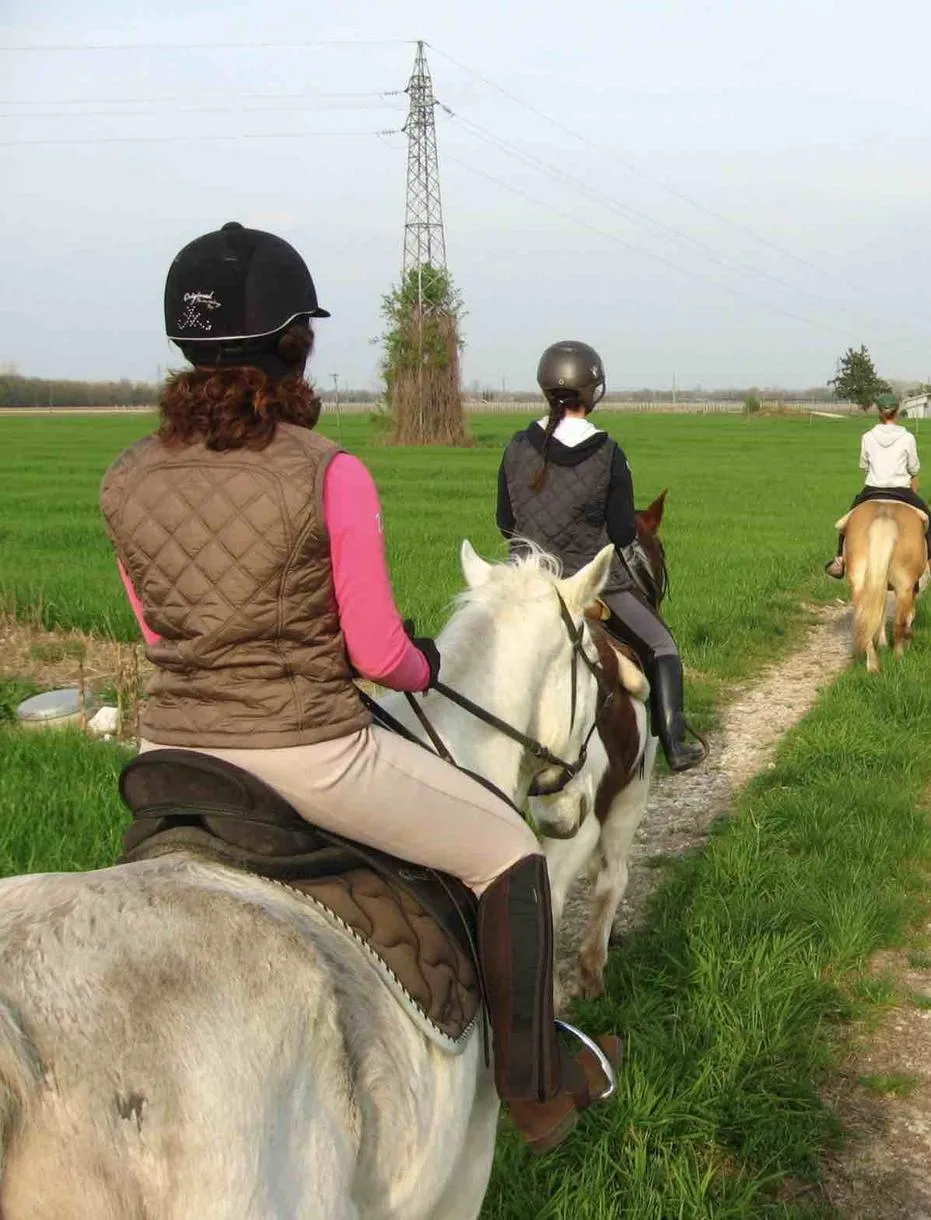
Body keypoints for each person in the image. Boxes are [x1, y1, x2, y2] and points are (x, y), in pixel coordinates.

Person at [98, 222, 615, 1154]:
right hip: (310, 754)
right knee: (509, 852)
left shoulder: (125, 476)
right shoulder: (327, 471)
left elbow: (156, 630)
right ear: (296, 343)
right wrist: (422, 661)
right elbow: (377, 655)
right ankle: (536, 1088)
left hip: (168, 754)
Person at [496, 340, 705, 773]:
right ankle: (676, 745)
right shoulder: (608, 453)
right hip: (591, 582)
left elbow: (504, 521)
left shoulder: (516, 446)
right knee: (663, 646)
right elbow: (626, 532)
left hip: (527, 581)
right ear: (593, 392)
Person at [825, 391, 931, 580]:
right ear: (897, 412)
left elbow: (863, 465)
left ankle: (840, 559)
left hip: (872, 490)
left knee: (849, 521)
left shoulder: (867, 436)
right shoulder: (907, 437)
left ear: (878, 412)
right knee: (929, 519)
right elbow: (913, 466)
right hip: (901, 490)